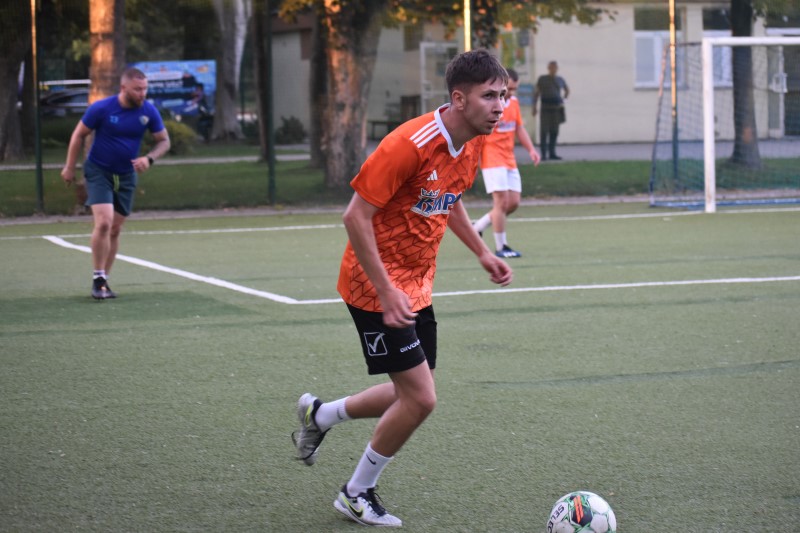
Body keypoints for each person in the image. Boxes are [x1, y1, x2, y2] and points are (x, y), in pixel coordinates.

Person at [292, 49, 513, 528]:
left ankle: (321, 416)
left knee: (410, 388)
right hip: (374, 287)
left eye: (504, 95)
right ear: (459, 99)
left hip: (415, 285)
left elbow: (448, 199)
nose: (500, 106)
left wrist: (481, 252)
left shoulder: (472, 141)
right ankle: (356, 493)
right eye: (489, 96)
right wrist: (387, 290)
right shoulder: (408, 144)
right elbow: (355, 216)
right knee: (420, 398)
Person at [61, 67, 170, 300]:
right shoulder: (102, 108)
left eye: (145, 89)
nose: (142, 93)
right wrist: (69, 167)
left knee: (115, 229)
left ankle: (104, 282)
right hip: (99, 171)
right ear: (123, 88)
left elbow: (164, 141)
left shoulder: (148, 111)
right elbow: (78, 134)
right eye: (137, 89)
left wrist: (149, 158)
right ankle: (98, 278)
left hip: (127, 175)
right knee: (104, 222)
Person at [473, 67, 540, 258]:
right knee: (501, 203)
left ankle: (477, 227)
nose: (511, 92)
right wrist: (475, 160)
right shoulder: (490, 105)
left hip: (509, 159)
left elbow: (519, 128)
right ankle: (501, 247)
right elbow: (477, 134)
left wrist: (531, 149)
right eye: (508, 88)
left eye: (514, 89)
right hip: (492, 158)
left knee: (513, 203)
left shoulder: (514, 103)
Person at [533, 61, 569, 161]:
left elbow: (567, 90)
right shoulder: (542, 79)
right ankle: (543, 154)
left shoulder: (560, 79)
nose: (553, 69)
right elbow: (536, 93)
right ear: (548, 68)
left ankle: (552, 153)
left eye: (554, 67)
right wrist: (534, 107)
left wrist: (564, 100)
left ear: (557, 69)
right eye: (551, 67)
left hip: (556, 109)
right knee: (544, 131)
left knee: (554, 131)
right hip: (545, 108)